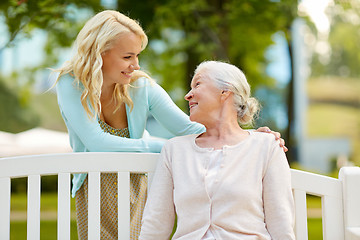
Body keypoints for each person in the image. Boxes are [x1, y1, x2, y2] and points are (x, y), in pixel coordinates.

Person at [55, 10, 287, 240]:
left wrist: (247, 138)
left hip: (136, 182)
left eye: (137, 56)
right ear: (101, 53)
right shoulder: (71, 83)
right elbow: (97, 142)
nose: (135, 65)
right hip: (93, 187)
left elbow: (191, 129)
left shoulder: (141, 87)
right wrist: (166, 149)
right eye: (127, 57)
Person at [139, 61, 295, 240]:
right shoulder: (174, 150)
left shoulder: (266, 146)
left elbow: (281, 223)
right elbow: (155, 224)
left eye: (197, 84)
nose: (187, 95)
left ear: (225, 91)